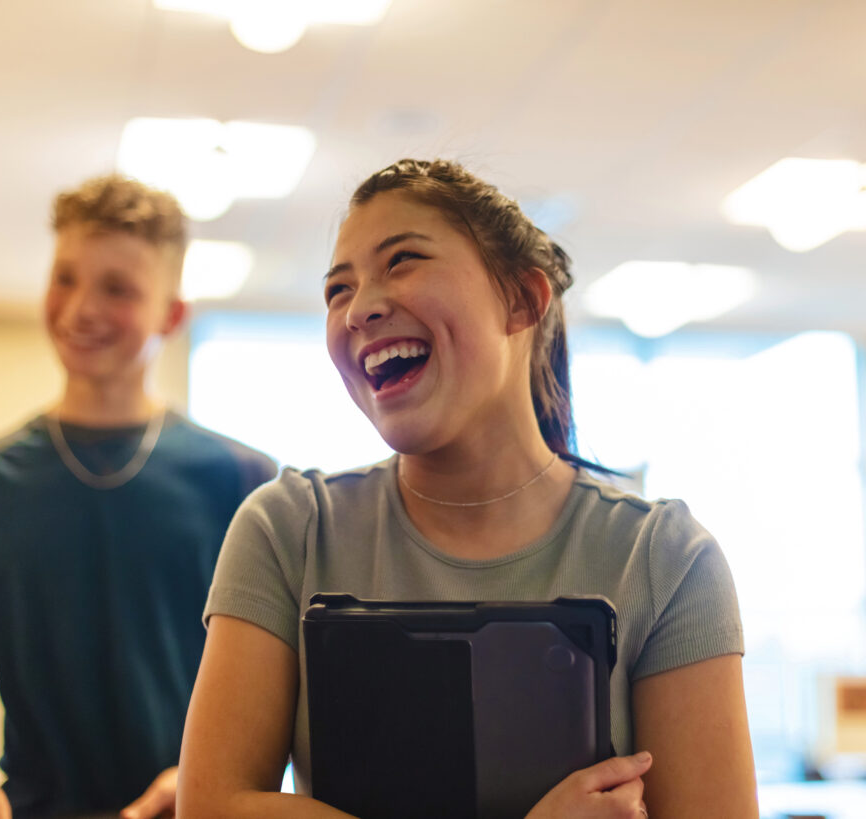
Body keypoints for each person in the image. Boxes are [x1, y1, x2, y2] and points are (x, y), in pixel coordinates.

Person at [177, 159, 759, 818]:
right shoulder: (290, 530)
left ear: (522, 300)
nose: (360, 308)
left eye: (402, 261)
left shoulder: (664, 559)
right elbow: (212, 808)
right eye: (338, 289)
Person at [0, 174, 277, 819]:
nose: (81, 308)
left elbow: (290, 689)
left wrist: (206, 778)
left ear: (171, 315)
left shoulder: (247, 485)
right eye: (65, 278)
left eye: (117, 288)